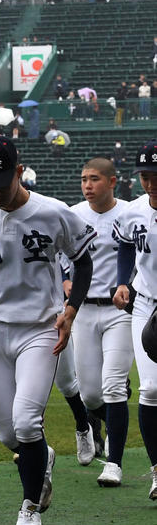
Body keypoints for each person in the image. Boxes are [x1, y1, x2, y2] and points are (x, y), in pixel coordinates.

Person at [0, 135, 95, 525]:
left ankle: (30, 507)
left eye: (1, 181)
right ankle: (41, 458)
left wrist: (70, 310)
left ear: (19, 170)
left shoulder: (53, 213)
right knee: (8, 434)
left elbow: (83, 263)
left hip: (38, 329)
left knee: (27, 422)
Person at [62, 157, 132, 486]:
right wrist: (64, 280)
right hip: (84, 310)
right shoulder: (73, 215)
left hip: (120, 312)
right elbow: (61, 257)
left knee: (114, 386)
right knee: (90, 394)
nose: (88, 185)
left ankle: (114, 463)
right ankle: (103, 424)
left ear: (112, 181)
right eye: (84, 179)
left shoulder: (130, 213)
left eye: (95, 179)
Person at [113, 139, 157, 500]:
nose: (151, 182)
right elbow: (126, 244)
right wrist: (123, 281)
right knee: (151, 389)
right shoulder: (133, 211)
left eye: (155, 175)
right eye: (145, 175)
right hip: (145, 305)